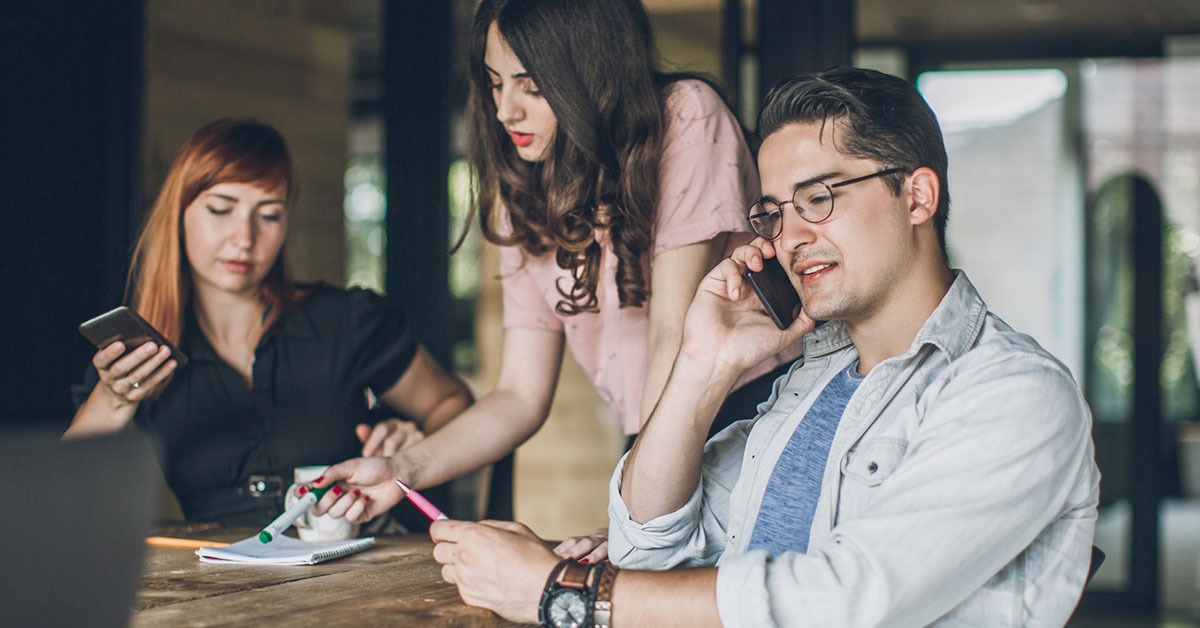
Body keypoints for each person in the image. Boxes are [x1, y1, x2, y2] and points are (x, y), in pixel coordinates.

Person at [425, 66, 1101, 627]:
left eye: (819, 198)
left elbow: (841, 601)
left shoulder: (1012, 393)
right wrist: (699, 366)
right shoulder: (811, 385)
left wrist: (561, 591)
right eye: (775, 212)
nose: (789, 238)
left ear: (917, 196)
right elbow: (645, 546)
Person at [312, 0, 800, 559]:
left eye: (531, 86)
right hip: (655, 432)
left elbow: (673, 330)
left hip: (751, 413)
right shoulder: (522, 189)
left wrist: (633, 517)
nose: (505, 111)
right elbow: (519, 395)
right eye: (494, 84)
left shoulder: (686, 115)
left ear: (589, 75)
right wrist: (401, 469)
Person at [65, 118, 473, 528]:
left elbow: (452, 405)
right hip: (224, 579)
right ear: (178, 214)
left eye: (270, 215)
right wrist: (115, 398)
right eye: (221, 210)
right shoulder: (140, 354)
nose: (244, 237)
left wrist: (412, 449)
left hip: (364, 563)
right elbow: (62, 490)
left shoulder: (345, 319)